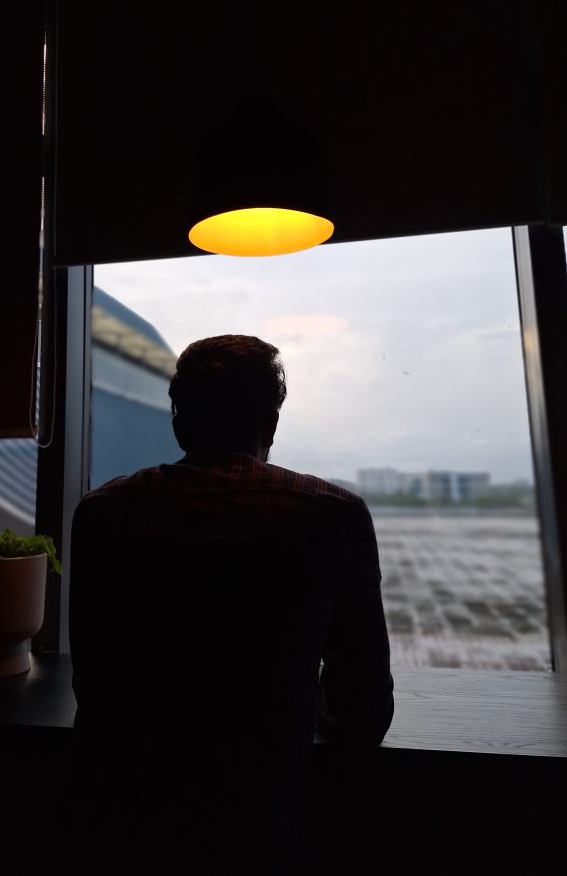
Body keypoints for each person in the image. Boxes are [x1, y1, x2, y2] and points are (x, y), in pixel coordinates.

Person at [68, 334, 394, 874]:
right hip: (267, 826)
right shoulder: (333, 516)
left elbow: (95, 685)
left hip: (122, 824)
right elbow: (366, 711)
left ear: (178, 423)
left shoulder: (102, 515)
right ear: (270, 425)